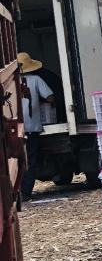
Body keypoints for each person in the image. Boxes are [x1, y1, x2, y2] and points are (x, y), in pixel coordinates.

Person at [18, 52, 55, 201]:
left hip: (15, 129)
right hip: (32, 128)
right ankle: (26, 192)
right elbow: (51, 97)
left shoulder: (9, 81)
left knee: (17, 162)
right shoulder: (36, 79)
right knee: (31, 161)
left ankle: (16, 191)